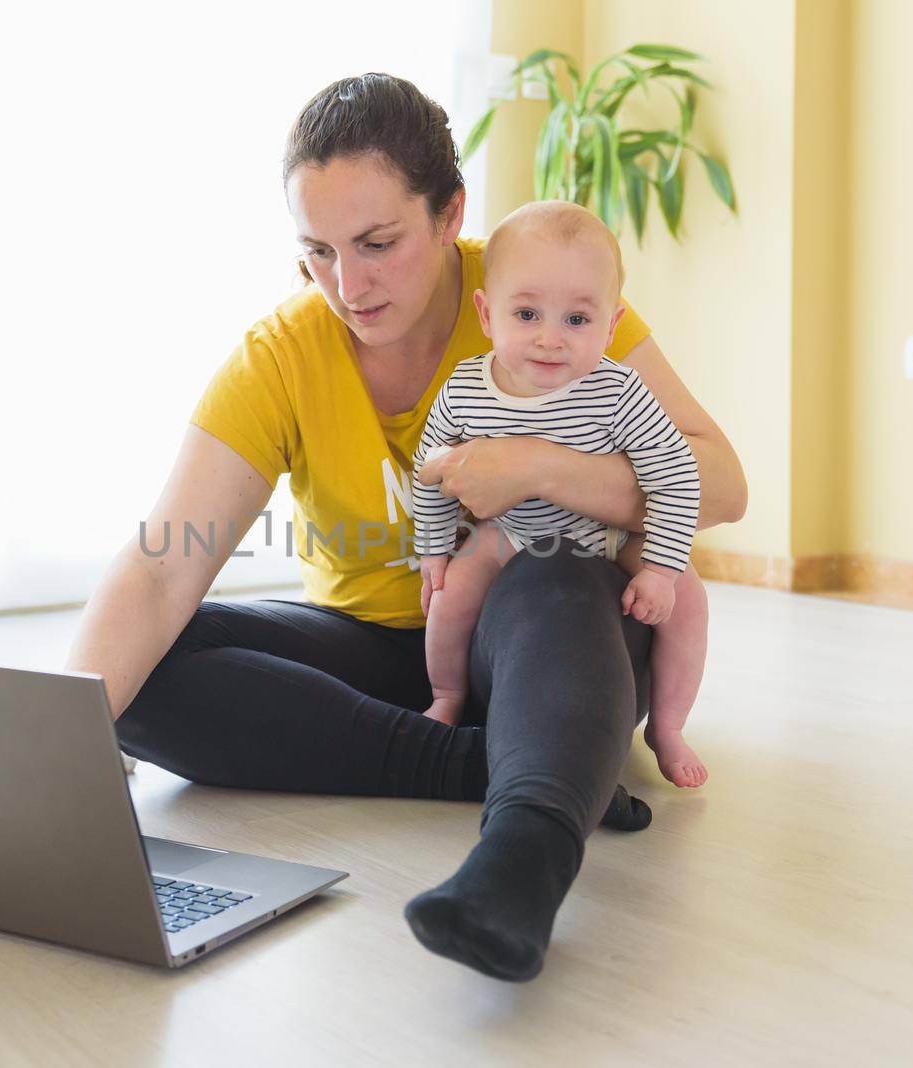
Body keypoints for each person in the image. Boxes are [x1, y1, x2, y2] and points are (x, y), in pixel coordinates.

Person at [65, 73, 747, 982]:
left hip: (545, 632)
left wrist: (539, 468)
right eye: (317, 251)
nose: (348, 284)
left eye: (377, 243)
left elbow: (725, 482)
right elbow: (160, 568)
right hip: (390, 651)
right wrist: (56, 753)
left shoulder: (538, 300)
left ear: (448, 213)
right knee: (147, 669)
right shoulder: (282, 353)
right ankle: (477, 762)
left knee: (546, 565)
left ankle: (523, 857)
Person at [413, 201, 710, 791]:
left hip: (607, 535)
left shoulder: (618, 392)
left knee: (689, 599)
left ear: (611, 321)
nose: (550, 339)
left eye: (577, 320)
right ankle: (446, 696)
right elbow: (432, 472)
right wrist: (433, 551)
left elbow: (675, 476)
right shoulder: (467, 389)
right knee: (450, 596)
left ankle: (668, 727)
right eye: (527, 314)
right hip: (510, 531)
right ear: (487, 314)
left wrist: (658, 568)